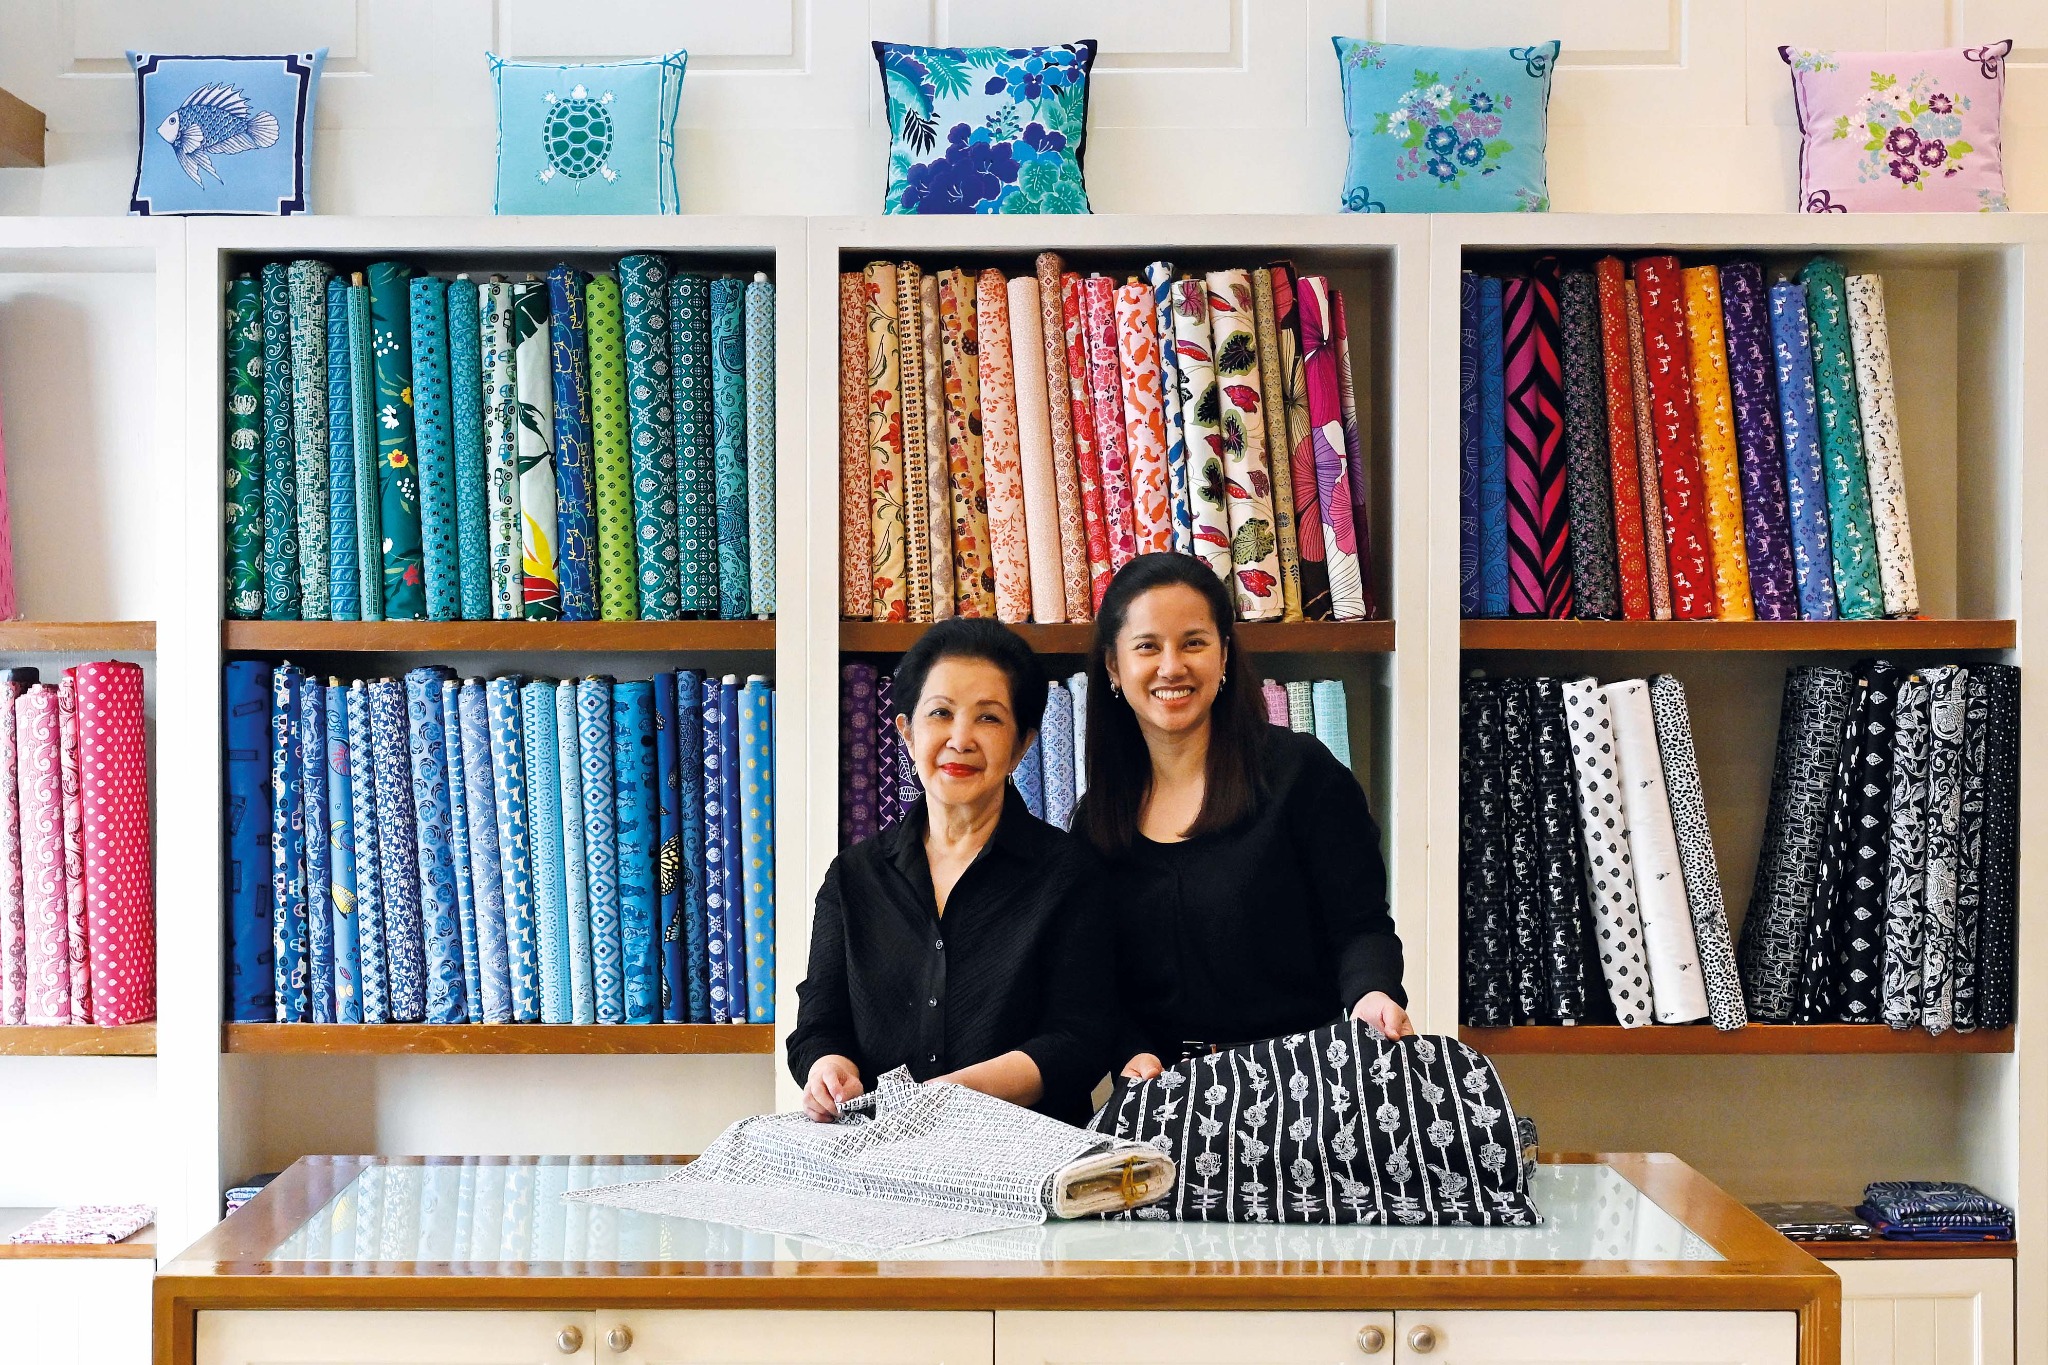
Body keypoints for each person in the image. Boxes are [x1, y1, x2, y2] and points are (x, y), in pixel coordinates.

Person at [1074, 553, 1412, 1081]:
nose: (1172, 667)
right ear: (1114, 667)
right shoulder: (1097, 821)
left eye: (1194, 643)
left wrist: (1372, 994)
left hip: (1307, 1083)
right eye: (1147, 646)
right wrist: (1128, 1051)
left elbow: (1360, 926)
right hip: (1166, 1093)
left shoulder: (1301, 774)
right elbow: (1094, 978)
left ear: (1225, 654)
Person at [787, 618, 1115, 1125]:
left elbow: (1080, 1039)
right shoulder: (854, 877)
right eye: (940, 713)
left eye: (988, 718)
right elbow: (818, 1024)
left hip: (1024, 1156)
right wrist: (830, 1070)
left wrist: (949, 1097)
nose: (960, 739)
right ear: (907, 732)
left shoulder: (1069, 874)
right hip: (882, 1154)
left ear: (1022, 745)